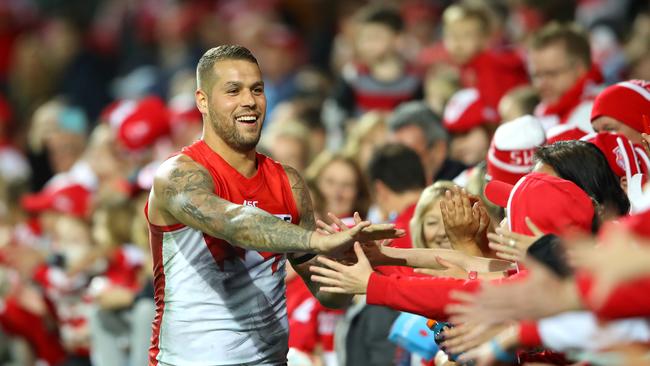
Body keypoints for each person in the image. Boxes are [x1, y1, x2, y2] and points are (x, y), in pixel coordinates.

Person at [145, 45, 402, 366]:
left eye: (257, 89)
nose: (249, 100)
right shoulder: (177, 175)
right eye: (233, 91)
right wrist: (317, 240)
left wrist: (349, 268)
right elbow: (233, 223)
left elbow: (327, 294)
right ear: (203, 101)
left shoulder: (288, 182)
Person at [528, 22, 603, 142]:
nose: (541, 84)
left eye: (551, 74)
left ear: (579, 69)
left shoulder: (600, 112)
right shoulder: (542, 110)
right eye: (536, 75)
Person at [387, 101, 466, 184]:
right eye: (391, 154)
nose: (396, 164)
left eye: (407, 156)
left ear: (439, 150)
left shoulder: (467, 186)